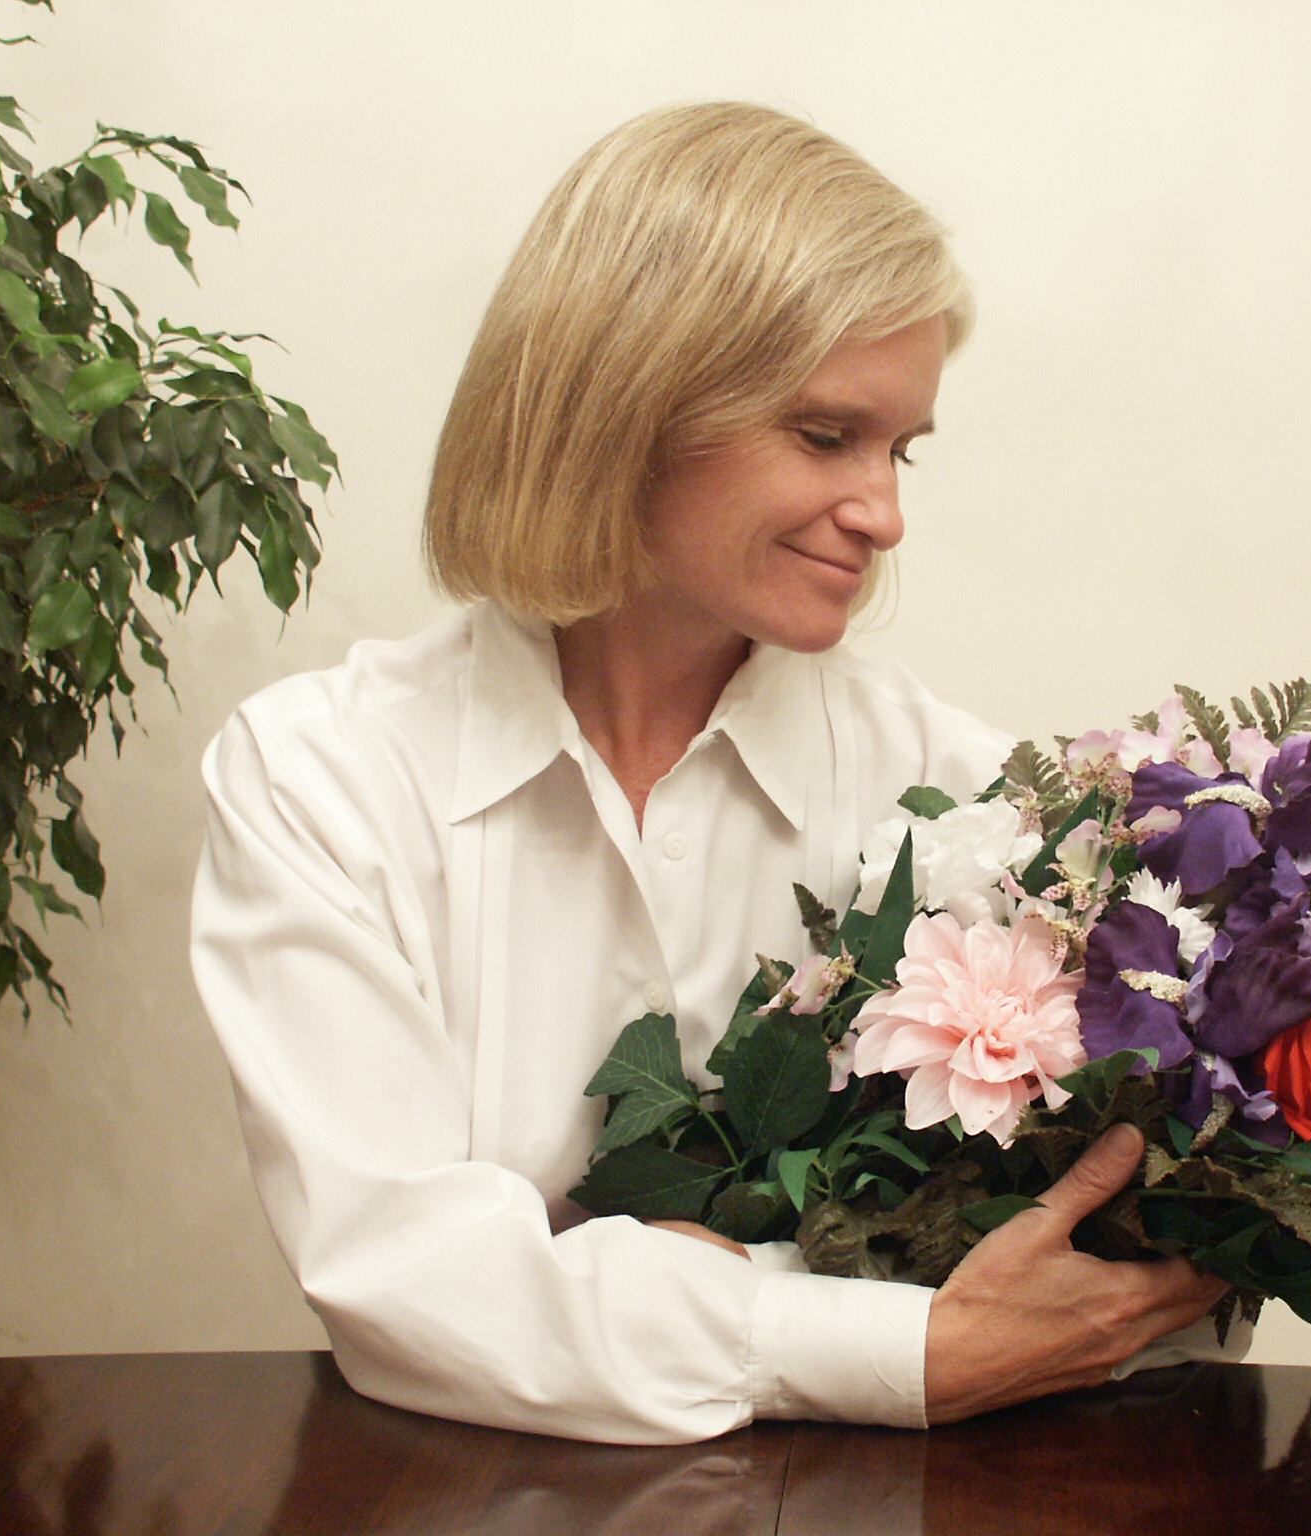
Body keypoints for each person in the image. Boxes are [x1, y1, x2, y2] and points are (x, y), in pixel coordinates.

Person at [190, 102, 1239, 1446]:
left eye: (901, 448)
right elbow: (405, 1285)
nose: (886, 513)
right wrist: (891, 1337)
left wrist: (678, 1289)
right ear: (625, 409)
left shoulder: (963, 798)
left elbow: (1134, 1291)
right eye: (826, 435)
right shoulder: (322, 780)